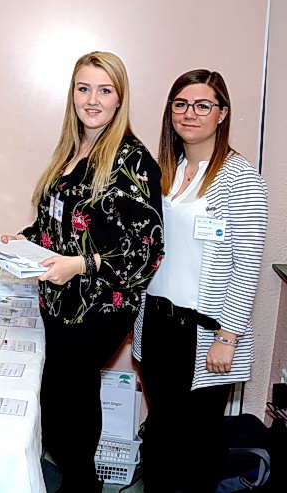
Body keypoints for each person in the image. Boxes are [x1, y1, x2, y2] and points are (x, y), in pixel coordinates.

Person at [1, 52, 164, 492]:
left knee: (69, 412)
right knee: (55, 407)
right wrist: (20, 241)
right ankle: (77, 481)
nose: (92, 99)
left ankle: (82, 485)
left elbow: (146, 250)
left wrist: (81, 264)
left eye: (104, 90)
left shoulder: (132, 160)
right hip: (58, 301)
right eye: (84, 88)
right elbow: (57, 225)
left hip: (97, 310)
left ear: (120, 99)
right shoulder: (73, 151)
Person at [135, 70, 268, 493]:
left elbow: (247, 267)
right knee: (160, 433)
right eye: (181, 104)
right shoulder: (162, 171)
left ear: (222, 113)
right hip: (156, 322)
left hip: (206, 332)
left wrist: (227, 337)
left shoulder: (240, 179)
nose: (190, 113)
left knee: (198, 443)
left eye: (202, 105)